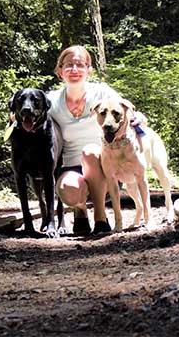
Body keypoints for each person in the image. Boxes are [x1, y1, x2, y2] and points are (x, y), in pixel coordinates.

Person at [47, 45, 138, 235]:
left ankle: (100, 216)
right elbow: (33, 116)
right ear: (59, 70)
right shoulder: (52, 101)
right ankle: (80, 210)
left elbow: (129, 112)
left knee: (89, 151)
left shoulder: (102, 92)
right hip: (72, 167)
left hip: (105, 166)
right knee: (69, 188)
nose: (74, 70)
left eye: (80, 65)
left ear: (89, 70)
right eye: (69, 65)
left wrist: (139, 121)